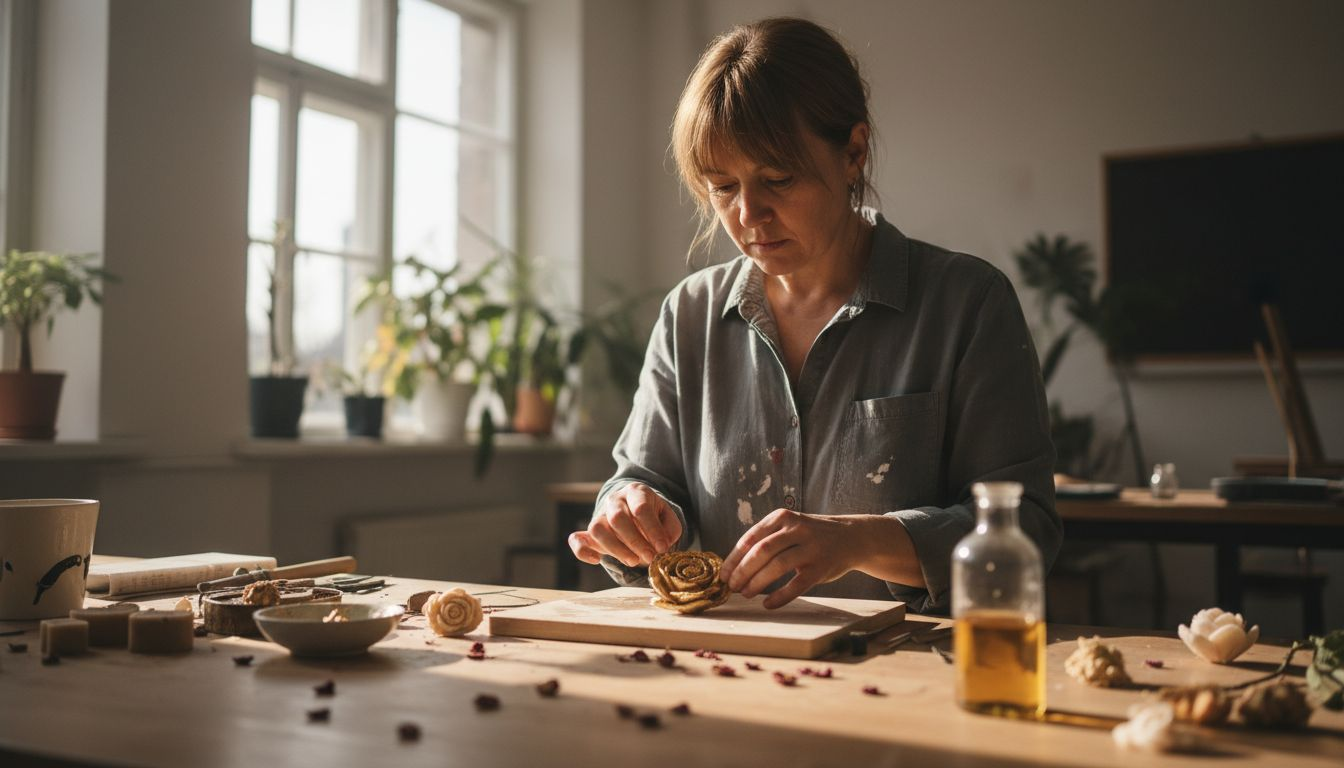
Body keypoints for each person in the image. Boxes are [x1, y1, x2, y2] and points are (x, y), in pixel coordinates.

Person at [567, 17, 1060, 613]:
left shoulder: (966, 304)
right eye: (722, 187)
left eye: (778, 179)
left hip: (910, 676)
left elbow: (1027, 530)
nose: (749, 214)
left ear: (853, 152)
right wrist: (629, 511)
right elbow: (644, 476)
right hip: (723, 667)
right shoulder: (688, 315)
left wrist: (856, 541)